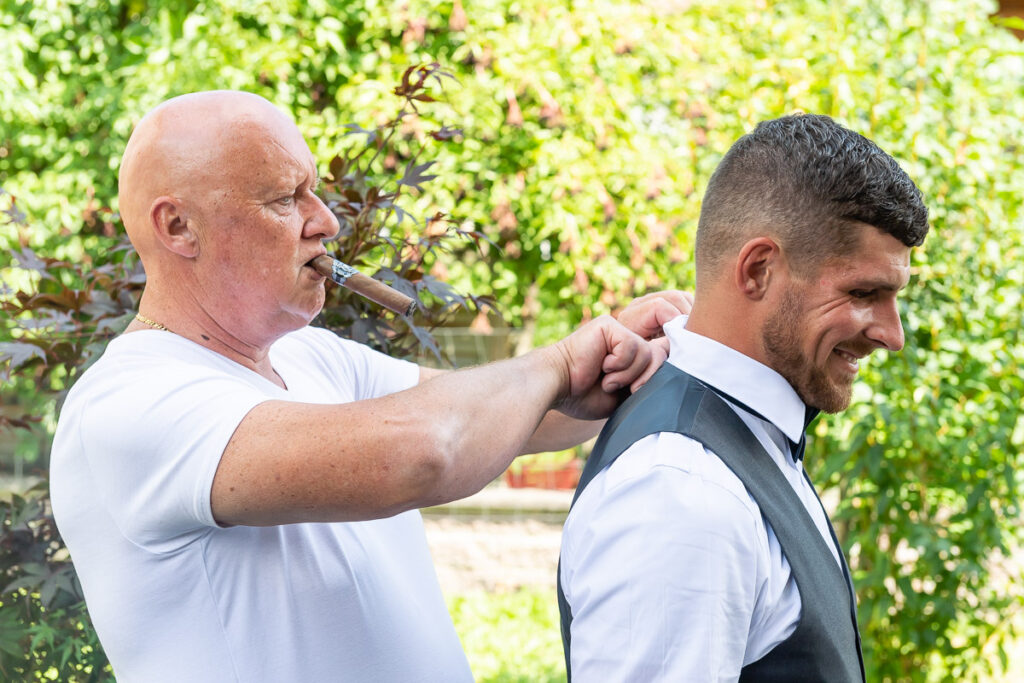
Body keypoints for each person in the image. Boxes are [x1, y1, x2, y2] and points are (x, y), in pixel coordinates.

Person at [48, 90, 691, 682]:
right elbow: (426, 453)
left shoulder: (311, 356)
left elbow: (532, 417)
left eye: (315, 192)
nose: (324, 221)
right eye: (284, 198)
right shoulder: (129, 403)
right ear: (178, 228)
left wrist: (635, 350)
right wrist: (558, 361)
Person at [558, 114, 929, 682]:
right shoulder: (682, 490)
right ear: (758, 270)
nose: (891, 334)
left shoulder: (747, 434)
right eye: (862, 293)